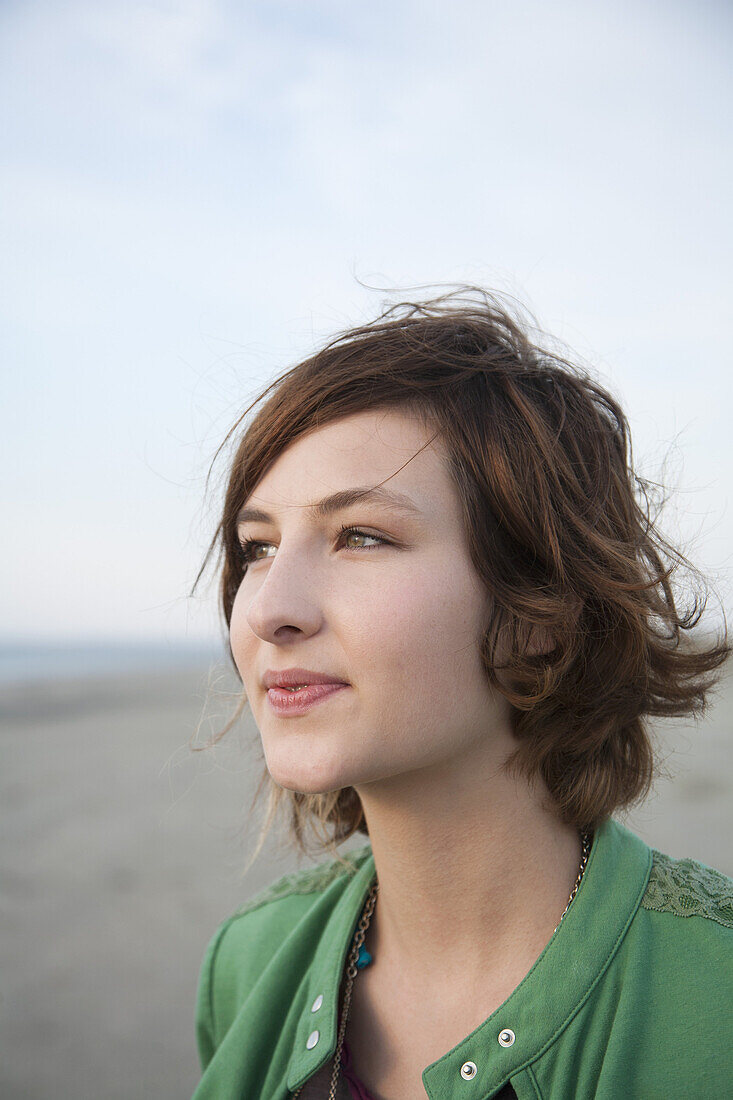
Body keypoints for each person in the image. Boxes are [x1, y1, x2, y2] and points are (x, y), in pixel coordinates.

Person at [190, 287, 733, 1099]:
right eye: (257, 546)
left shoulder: (711, 996)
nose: (268, 609)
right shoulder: (248, 958)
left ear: (538, 611)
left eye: (361, 535)